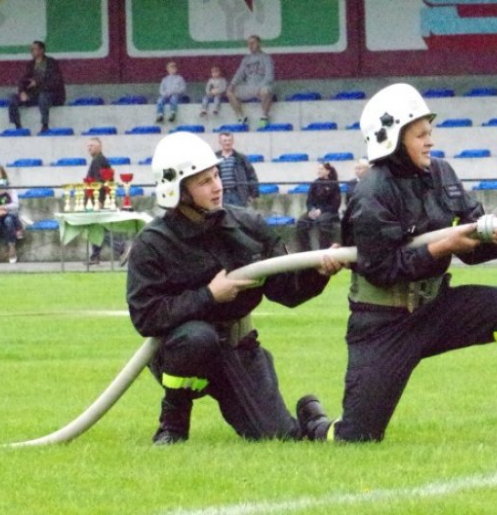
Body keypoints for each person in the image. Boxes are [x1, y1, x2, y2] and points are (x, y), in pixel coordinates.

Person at [295, 84, 497, 443]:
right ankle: (314, 422)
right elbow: (383, 269)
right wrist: (441, 246)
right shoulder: (370, 193)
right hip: (382, 322)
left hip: (435, 308)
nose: (430, 142)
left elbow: (470, 247)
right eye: (420, 135)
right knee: (357, 438)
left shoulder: (443, 175)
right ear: (392, 138)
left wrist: (495, 240)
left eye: (429, 132)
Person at [126, 131, 343, 445]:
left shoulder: (248, 227)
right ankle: (173, 422)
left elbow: (287, 291)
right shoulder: (153, 243)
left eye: (215, 175)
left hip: (238, 346)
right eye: (204, 182)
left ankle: (309, 414)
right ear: (178, 191)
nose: (217, 187)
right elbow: (146, 317)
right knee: (197, 338)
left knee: (277, 437)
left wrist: (318, 273)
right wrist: (209, 295)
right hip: (182, 351)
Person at [84, 138, 129, 265]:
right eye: (88, 146)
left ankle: (121, 247)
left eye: (92, 145)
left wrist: (99, 201)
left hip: (100, 200)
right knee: (96, 227)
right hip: (101, 198)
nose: (89, 148)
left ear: (100, 147)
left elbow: (100, 182)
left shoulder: (98, 161)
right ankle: (95, 255)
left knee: (99, 229)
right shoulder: (98, 160)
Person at [8, 40, 66, 134]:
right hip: (34, 95)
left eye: (34, 49)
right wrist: (22, 92)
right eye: (31, 49)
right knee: (13, 98)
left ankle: (45, 125)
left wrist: (38, 83)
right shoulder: (30, 64)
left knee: (43, 97)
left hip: (51, 95)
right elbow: (23, 80)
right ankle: (17, 126)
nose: (32, 51)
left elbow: (55, 82)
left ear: (42, 50)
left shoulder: (52, 63)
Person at [226, 35, 275, 129]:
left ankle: (264, 117)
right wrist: (232, 84)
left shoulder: (266, 58)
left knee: (266, 90)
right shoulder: (246, 59)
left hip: (261, 86)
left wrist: (259, 87)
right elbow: (239, 74)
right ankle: (241, 118)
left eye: (253, 43)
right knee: (229, 92)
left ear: (259, 44)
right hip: (248, 87)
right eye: (249, 44)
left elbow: (269, 77)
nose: (251, 45)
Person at [296, 162, 341, 251]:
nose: (319, 171)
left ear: (328, 171)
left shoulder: (334, 184)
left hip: (329, 212)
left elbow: (335, 204)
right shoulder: (315, 183)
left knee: (323, 221)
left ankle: (323, 249)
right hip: (314, 211)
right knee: (302, 222)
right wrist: (312, 210)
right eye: (318, 169)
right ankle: (305, 250)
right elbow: (309, 200)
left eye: (321, 169)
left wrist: (321, 210)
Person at [215, 132, 259, 207]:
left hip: (238, 194)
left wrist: (253, 194)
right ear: (220, 142)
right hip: (221, 194)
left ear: (232, 141)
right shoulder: (214, 158)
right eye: (225, 141)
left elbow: (251, 175)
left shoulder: (241, 158)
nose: (227, 143)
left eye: (229, 140)